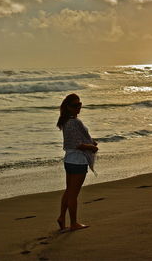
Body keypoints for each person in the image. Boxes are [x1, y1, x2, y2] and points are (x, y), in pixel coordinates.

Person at [56, 93, 98, 232]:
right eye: (75, 105)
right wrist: (91, 147)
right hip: (78, 161)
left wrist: (90, 143)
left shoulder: (67, 121)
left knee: (69, 191)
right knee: (73, 194)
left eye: (79, 104)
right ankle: (73, 223)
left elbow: (75, 141)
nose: (78, 107)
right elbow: (78, 144)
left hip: (69, 159)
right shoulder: (74, 122)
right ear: (68, 107)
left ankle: (62, 217)